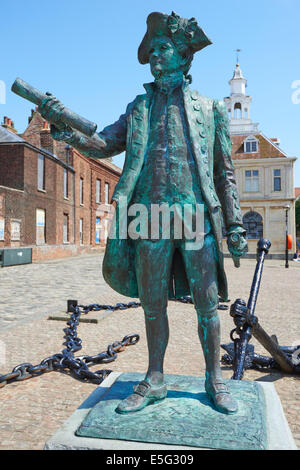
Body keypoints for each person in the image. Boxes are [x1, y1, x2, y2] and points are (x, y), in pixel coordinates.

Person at [39, 11, 248, 414]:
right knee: (152, 304)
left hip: (195, 218)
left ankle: (214, 379)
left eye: (163, 48)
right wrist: (64, 126)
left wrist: (235, 224)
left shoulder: (210, 109)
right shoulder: (138, 107)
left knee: (207, 305)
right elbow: (102, 143)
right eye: (151, 50)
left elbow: (225, 172)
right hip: (148, 217)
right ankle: (154, 379)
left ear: (184, 57)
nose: (154, 55)